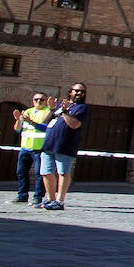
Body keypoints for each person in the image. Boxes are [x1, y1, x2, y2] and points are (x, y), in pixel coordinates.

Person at [39, 83, 89, 211]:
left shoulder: (82, 108)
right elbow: (45, 122)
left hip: (65, 145)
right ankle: (50, 199)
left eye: (82, 92)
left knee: (63, 172)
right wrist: (51, 109)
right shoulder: (61, 105)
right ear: (70, 92)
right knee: (46, 172)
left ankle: (60, 201)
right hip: (49, 144)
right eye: (76, 91)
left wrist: (65, 112)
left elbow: (75, 124)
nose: (79, 93)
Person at [10, 90, 51, 206]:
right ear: (32, 101)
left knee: (39, 174)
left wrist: (31, 121)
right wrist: (18, 120)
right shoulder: (28, 111)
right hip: (25, 147)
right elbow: (18, 130)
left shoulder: (48, 112)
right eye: (36, 99)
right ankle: (22, 195)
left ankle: (38, 197)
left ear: (46, 101)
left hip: (39, 148)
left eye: (41, 99)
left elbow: (44, 128)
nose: (38, 101)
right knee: (21, 172)